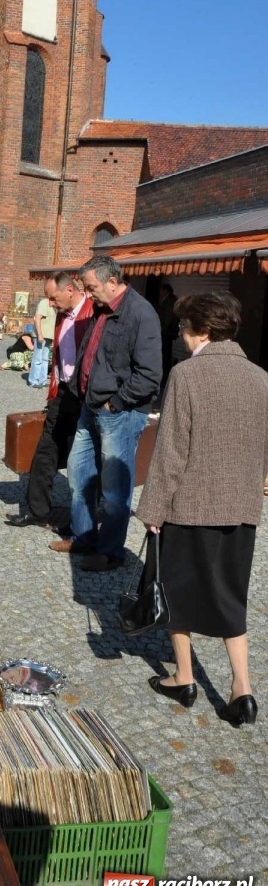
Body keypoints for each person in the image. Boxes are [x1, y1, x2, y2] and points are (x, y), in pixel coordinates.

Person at [135, 293, 268, 725]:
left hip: (189, 505)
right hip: (240, 509)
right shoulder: (260, 377)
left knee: (175, 589)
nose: (181, 336)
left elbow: (171, 451)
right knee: (232, 596)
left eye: (184, 328)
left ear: (203, 331)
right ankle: (242, 690)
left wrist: (152, 509)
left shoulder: (187, 375)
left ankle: (184, 677)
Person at [49, 254, 161, 571]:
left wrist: (116, 402)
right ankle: (84, 537)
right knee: (79, 473)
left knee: (114, 490)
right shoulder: (102, 307)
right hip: (91, 407)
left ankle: (111, 551)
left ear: (112, 282)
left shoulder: (141, 314)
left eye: (92, 286)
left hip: (120, 414)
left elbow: (150, 375)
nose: (88, 292)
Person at [6, 272, 94, 528]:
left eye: (53, 298)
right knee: (45, 452)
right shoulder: (62, 315)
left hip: (84, 396)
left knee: (81, 460)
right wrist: (54, 389)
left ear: (70, 290)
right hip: (63, 392)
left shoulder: (91, 313)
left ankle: (84, 521)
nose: (51, 304)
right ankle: (37, 510)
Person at [28, 292, 57, 388]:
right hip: (41, 336)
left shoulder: (53, 307)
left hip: (48, 337)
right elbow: (37, 318)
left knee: (45, 359)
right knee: (38, 358)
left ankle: (42, 380)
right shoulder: (44, 303)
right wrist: (40, 335)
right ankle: (34, 381)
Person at [157, 281, 178, 388]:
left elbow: (167, 319)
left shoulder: (170, 301)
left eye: (161, 290)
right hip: (167, 333)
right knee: (166, 355)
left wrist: (160, 331)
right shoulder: (170, 300)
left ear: (165, 290)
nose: (160, 292)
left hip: (166, 333)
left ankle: (165, 379)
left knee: (165, 356)